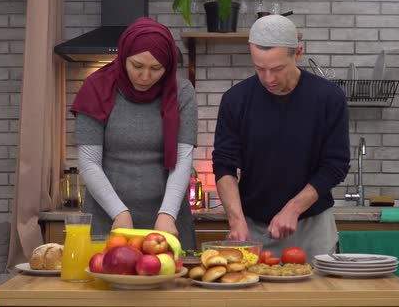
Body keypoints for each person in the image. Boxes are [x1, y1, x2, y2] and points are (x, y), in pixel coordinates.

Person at [212, 15, 350, 258]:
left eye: (277, 69)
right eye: (259, 68)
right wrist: (236, 221)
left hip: (312, 229)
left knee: (317, 295)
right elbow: (224, 165)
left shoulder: (328, 98)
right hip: (252, 228)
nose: (268, 79)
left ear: (297, 53)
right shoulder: (235, 100)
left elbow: (335, 165)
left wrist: (293, 208)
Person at [70, 17, 197, 249]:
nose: (145, 76)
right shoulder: (95, 88)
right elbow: (89, 162)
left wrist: (168, 213)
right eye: (137, 66)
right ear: (123, 56)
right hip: (108, 219)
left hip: (166, 221)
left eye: (156, 68)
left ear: (168, 67)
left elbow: (182, 159)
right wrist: (119, 213)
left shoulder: (182, 93)